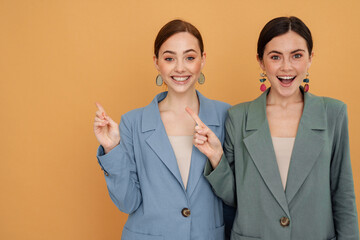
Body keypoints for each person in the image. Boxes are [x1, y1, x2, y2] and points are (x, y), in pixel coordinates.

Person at [192, 16, 359, 239]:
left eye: (297, 55)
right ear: (261, 61)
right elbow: (234, 198)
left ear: (310, 58)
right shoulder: (238, 117)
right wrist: (216, 158)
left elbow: (343, 195)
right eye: (275, 57)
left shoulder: (333, 114)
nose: (286, 67)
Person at [93, 19, 230, 240]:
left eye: (190, 57)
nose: (180, 68)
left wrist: (217, 159)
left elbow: (235, 196)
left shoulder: (226, 116)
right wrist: (112, 149)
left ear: (202, 60)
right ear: (157, 62)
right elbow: (127, 202)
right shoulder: (132, 122)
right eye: (169, 58)